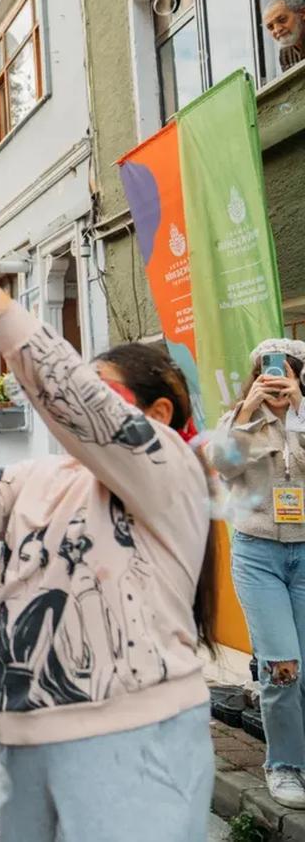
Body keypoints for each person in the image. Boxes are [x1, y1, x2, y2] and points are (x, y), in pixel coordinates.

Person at [0, 196, 215, 841]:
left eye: (106, 389)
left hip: (131, 730)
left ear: (157, 415)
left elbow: (70, 398)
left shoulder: (168, 469)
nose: (85, 402)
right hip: (23, 734)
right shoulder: (40, 477)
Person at [210, 338, 305, 808]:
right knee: (282, 665)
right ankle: (284, 764)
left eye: (287, 370)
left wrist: (300, 412)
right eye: (267, 370)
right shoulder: (240, 421)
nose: (277, 379)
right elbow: (222, 465)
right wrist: (248, 413)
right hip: (258, 553)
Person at [265, 0, 305, 74]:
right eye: (270, 27)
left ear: (303, 14)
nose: (277, 30)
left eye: (282, 20)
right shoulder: (285, 53)